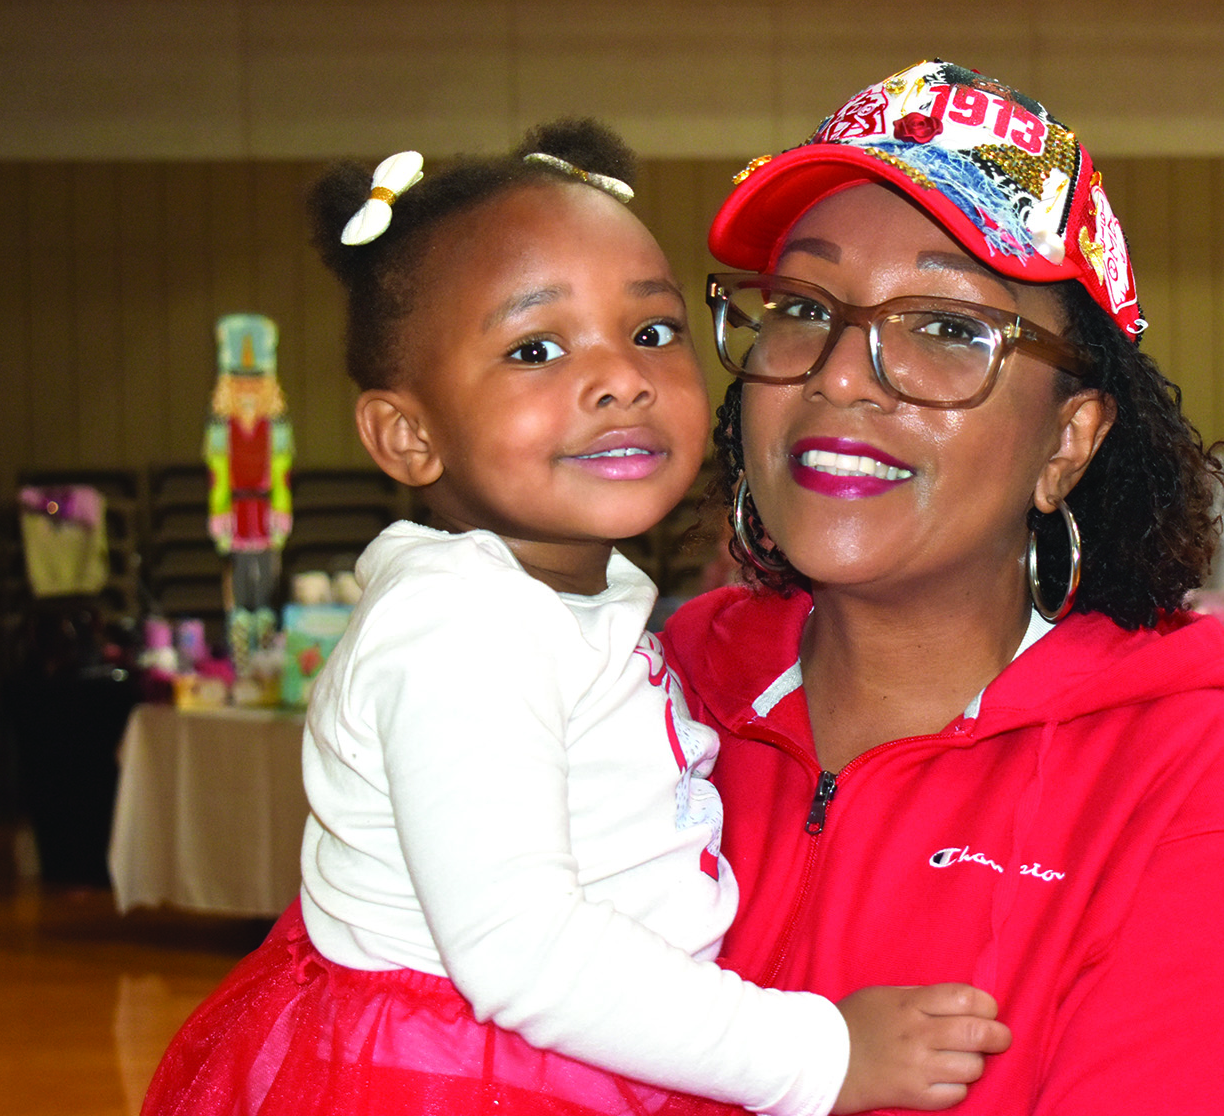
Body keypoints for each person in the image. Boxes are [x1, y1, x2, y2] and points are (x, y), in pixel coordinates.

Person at [140, 120, 1008, 1116]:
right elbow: (523, 948)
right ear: (405, 433)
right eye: (536, 348)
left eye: (651, 332)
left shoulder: (563, 602)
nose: (622, 378)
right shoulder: (461, 628)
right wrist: (819, 1057)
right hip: (462, 1080)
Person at [662, 60, 1224, 1114]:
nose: (836, 375)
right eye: (801, 304)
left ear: (1067, 439)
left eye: (947, 327)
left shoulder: (1182, 781)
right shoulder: (654, 687)